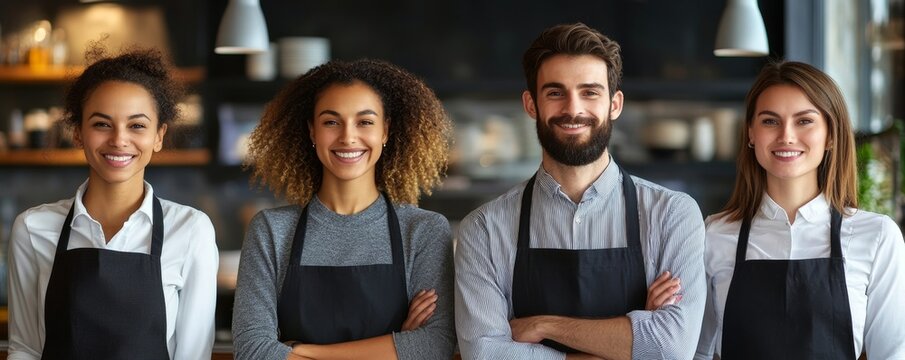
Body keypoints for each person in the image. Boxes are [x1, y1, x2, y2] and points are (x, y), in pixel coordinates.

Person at [454, 22, 706, 360]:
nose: (573, 110)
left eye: (590, 92)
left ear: (615, 104)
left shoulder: (672, 213)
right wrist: (631, 343)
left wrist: (545, 326)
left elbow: (673, 348)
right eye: (555, 92)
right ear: (532, 104)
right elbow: (485, 354)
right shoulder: (483, 229)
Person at [231, 59, 456, 360]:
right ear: (312, 132)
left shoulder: (423, 230)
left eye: (365, 122)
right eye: (331, 122)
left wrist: (300, 350)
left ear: (385, 131)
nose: (348, 137)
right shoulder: (271, 231)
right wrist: (397, 344)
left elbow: (435, 345)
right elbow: (252, 350)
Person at [7, 46, 219, 360]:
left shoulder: (191, 230)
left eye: (137, 125)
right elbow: (25, 349)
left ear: (159, 136)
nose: (119, 140)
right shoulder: (32, 229)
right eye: (102, 124)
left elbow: (193, 355)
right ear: (78, 133)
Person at [695, 61, 905, 359]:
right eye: (770, 121)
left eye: (804, 121)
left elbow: (893, 354)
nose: (786, 136)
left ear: (830, 134)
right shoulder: (714, 235)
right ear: (751, 134)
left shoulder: (877, 236)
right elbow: (695, 352)